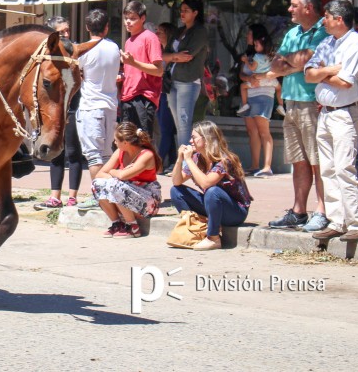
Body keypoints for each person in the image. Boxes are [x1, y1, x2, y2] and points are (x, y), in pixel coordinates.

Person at [305, 0, 358, 241]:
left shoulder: (357, 44)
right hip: (325, 111)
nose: (323, 21)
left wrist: (323, 73)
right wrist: (329, 71)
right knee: (328, 169)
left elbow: (345, 82)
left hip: (347, 111)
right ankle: (337, 220)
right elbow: (309, 73)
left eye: (327, 17)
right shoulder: (326, 42)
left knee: (345, 167)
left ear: (339, 19)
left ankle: (356, 222)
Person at [266, 0, 330, 231]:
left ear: (308, 8)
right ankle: (298, 211)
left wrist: (290, 64)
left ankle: (322, 211)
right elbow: (275, 63)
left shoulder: (323, 30)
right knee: (299, 161)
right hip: (291, 103)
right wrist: (295, 65)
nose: (289, 9)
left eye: (294, 5)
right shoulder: (293, 32)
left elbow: (309, 57)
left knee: (317, 160)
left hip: (311, 103)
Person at [170, 120, 253, 251]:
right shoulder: (197, 158)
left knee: (212, 191)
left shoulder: (225, 160)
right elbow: (177, 181)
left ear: (207, 139)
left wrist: (188, 160)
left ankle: (213, 238)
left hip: (235, 211)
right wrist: (180, 160)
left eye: (194, 137)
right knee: (176, 191)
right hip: (213, 204)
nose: (190, 141)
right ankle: (196, 228)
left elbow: (206, 183)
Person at [35, 16, 85, 210]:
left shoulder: (73, 51)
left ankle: (72, 197)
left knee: (73, 152)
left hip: (72, 107)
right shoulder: (48, 56)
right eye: (61, 31)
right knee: (56, 152)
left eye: (67, 30)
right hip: (55, 109)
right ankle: (55, 196)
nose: (66, 34)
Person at [92, 122, 162, 238]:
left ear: (125, 142)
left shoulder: (146, 155)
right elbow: (100, 174)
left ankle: (132, 226)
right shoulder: (120, 151)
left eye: (116, 140)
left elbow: (123, 176)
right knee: (97, 184)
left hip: (148, 202)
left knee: (115, 184)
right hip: (128, 194)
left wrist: (114, 173)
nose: (114, 143)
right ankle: (117, 223)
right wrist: (117, 174)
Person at [76, 9, 121, 184]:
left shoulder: (84, 50)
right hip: (110, 106)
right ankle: (106, 194)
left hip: (90, 105)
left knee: (93, 155)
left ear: (87, 27)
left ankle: (98, 195)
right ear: (106, 27)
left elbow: (77, 75)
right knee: (106, 153)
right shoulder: (114, 47)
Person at [163, 0, 208, 148]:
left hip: (188, 81)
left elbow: (188, 55)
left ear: (195, 13)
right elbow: (163, 54)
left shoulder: (200, 31)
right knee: (178, 123)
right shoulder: (179, 30)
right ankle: (181, 161)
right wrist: (175, 57)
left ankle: (184, 163)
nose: (182, 14)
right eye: (181, 11)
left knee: (184, 122)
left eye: (186, 11)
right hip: (172, 80)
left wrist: (171, 57)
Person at [236, 25, 279, 178]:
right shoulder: (248, 55)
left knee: (263, 131)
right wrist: (248, 78)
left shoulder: (268, 56)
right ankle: (255, 165)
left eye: (250, 34)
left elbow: (275, 72)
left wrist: (258, 77)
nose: (247, 36)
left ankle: (267, 166)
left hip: (264, 93)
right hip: (249, 92)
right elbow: (241, 74)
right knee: (251, 131)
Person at [118, 0, 163, 137]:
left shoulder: (150, 38)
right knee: (127, 141)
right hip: (127, 96)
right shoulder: (128, 41)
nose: (128, 22)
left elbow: (159, 70)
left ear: (143, 18)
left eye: (132, 19)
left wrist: (133, 63)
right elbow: (133, 70)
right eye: (126, 18)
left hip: (143, 97)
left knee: (143, 141)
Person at [155, 22, 178, 173]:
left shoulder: (173, 48)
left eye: (160, 32)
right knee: (166, 127)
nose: (157, 35)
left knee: (166, 128)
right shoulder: (158, 49)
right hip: (160, 91)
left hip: (170, 90)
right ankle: (172, 160)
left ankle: (159, 161)